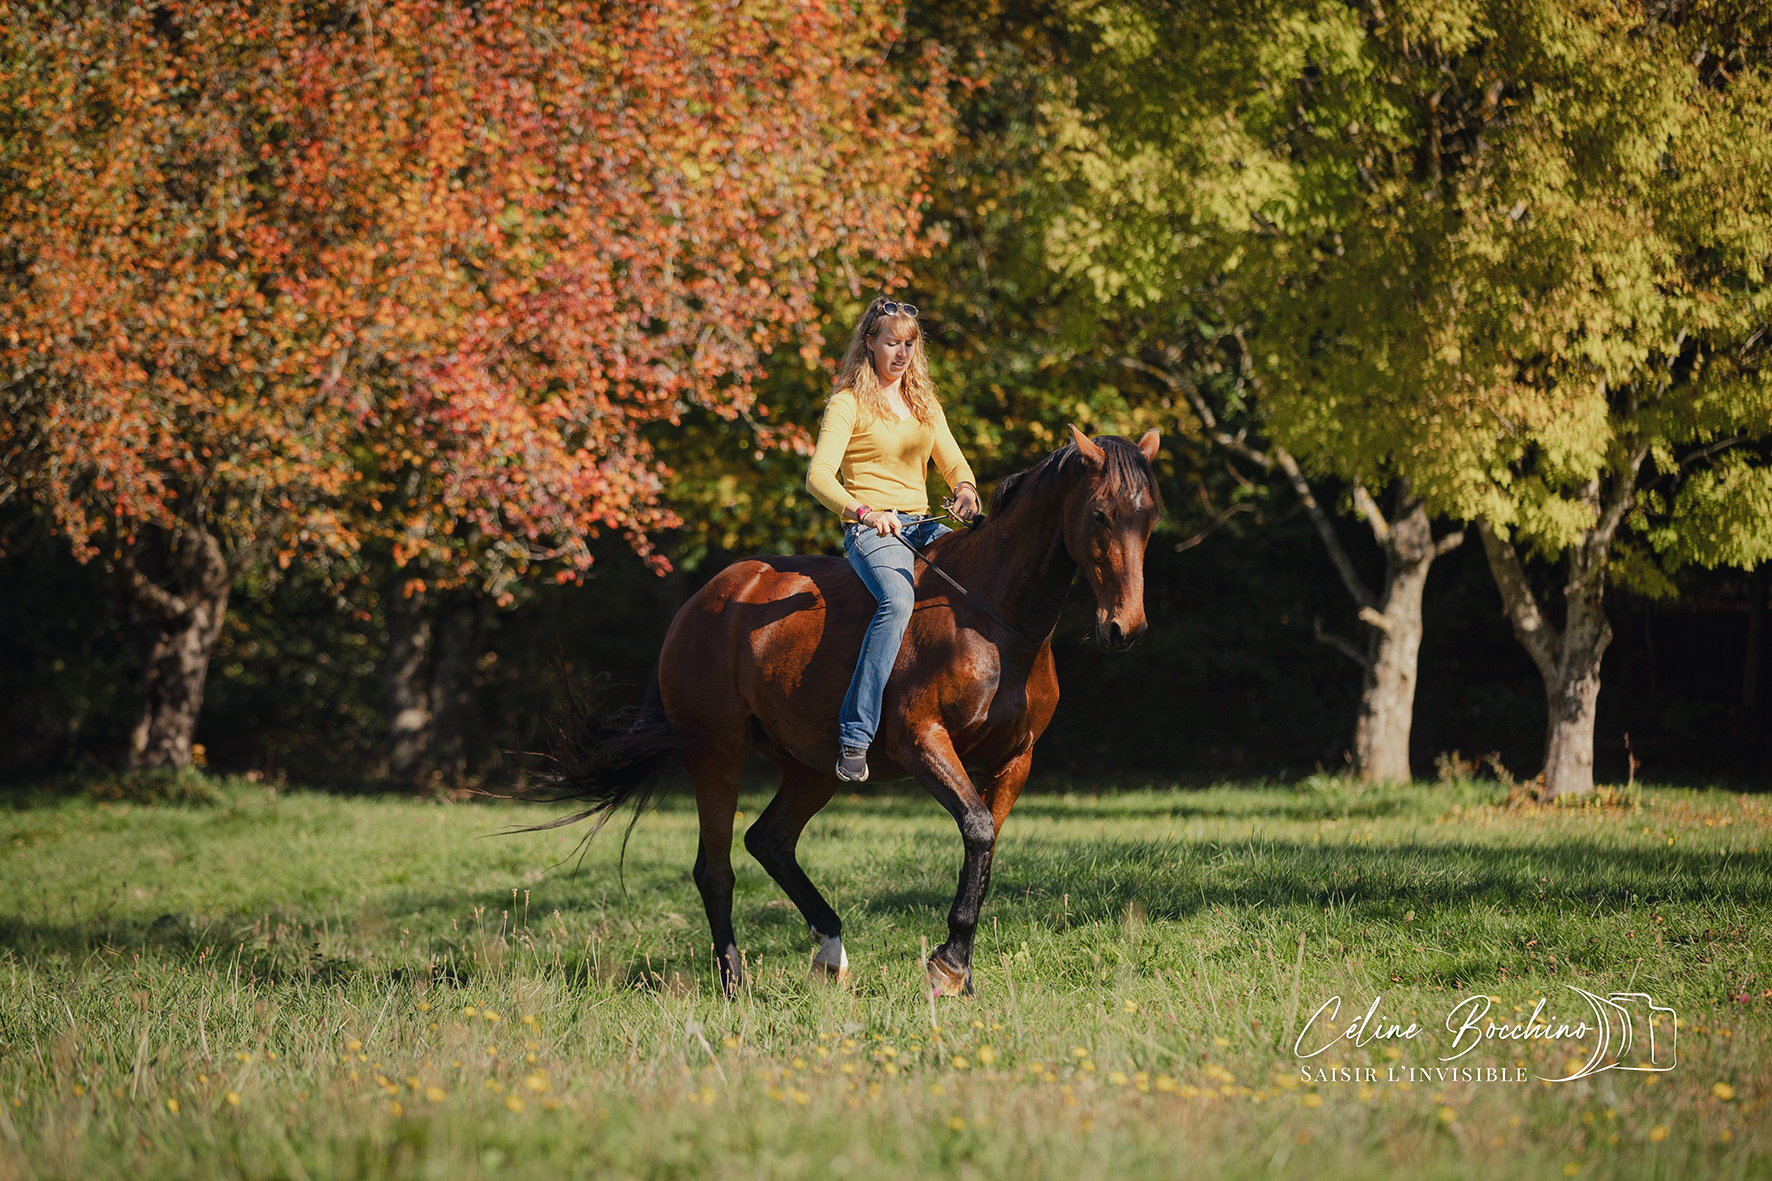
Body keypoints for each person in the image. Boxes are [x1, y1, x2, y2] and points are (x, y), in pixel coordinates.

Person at [805, 298, 982, 782]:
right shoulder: (847, 402)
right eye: (891, 342)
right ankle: (855, 736)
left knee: (982, 582)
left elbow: (954, 465)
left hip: (926, 524)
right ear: (869, 343)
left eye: (910, 344)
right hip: (873, 529)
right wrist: (864, 512)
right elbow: (818, 476)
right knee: (898, 600)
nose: (902, 353)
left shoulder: (924, 404)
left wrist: (965, 492)